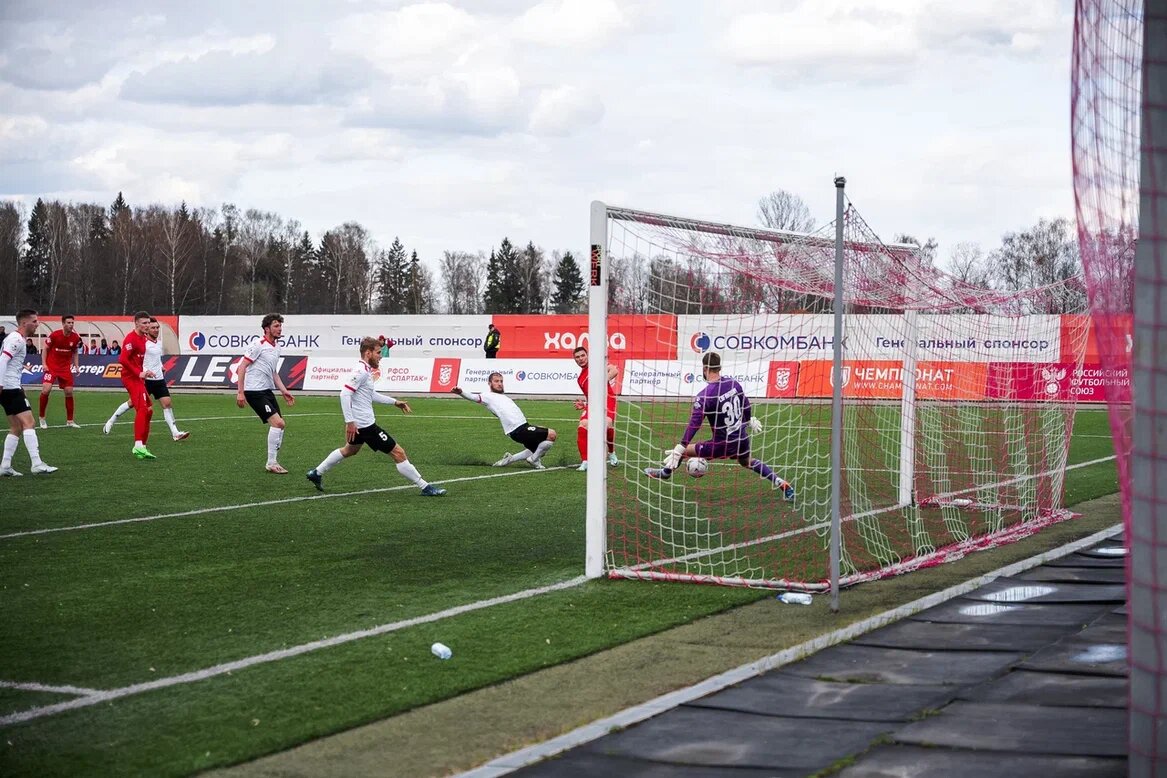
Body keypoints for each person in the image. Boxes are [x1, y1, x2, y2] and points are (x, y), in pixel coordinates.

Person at [645, 351, 795, 502]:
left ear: (705, 368)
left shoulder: (705, 395)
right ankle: (780, 482)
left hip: (722, 444)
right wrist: (749, 420)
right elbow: (746, 405)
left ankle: (665, 473)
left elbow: (695, 424)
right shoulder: (734, 384)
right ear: (719, 367)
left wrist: (681, 446)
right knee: (747, 461)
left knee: (685, 452)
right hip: (741, 438)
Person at [306, 337, 445, 496]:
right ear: (368, 353)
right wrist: (349, 422)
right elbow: (344, 394)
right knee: (398, 453)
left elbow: (370, 394)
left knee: (350, 450)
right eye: (378, 353)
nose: (381, 356)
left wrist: (395, 402)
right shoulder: (360, 371)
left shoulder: (365, 370)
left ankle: (316, 473)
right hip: (365, 426)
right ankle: (425, 487)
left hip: (360, 425)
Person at [104, 318, 189, 441]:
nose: (155, 330)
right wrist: (141, 373)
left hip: (158, 378)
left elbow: (157, 358)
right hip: (146, 379)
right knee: (132, 403)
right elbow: (135, 359)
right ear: (147, 329)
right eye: (152, 327)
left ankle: (175, 433)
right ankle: (112, 419)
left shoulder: (158, 342)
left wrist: (161, 366)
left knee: (167, 403)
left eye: (157, 327)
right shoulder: (142, 342)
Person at [451, 372, 556, 469]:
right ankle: (533, 460)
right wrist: (461, 392)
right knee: (551, 434)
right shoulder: (487, 396)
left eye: (501, 381)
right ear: (489, 383)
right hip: (517, 430)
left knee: (539, 447)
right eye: (496, 381)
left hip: (523, 426)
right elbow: (474, 397)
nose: (500, 384)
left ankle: (510, 459)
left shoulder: (503, 397)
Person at [235, 313, 295, 474]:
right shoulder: (258, 344)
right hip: (254, 391)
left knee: (281, 425)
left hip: (267, 391)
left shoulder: (276, 347)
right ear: (266, 329)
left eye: (280, 325)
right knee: (278, 424)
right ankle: (271, 463)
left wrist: (284, 391)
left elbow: (273, 372)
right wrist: (240, 392)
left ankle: (273, 461)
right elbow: (241, 367)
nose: (279, 328)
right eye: (276, 326)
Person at [0, 310, 58, 475]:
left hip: (9, 387)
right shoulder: (16, 339)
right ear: (24, 323)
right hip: (10, 388)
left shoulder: (17, 339)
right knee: (29, 423)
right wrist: (1, 384)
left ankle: (5, 466)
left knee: (16, 426)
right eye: (34, 321)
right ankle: (36, 463)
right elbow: (3, 360)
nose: (37, 323)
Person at [118, 311, 157, 460]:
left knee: (149, 410)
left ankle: (143, 446)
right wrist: (138, 372)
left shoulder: (143, 339)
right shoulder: (131, 339)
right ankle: (138, 445)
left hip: (138, 377)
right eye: (144, 323)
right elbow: (123, 359)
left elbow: (137, 361)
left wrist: (146, 371)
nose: (147, 326)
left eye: (148, 323)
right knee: (142, 409)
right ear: (136, 323)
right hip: (130, 378)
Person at [573, 345, 619, 472]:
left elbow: (614, 370)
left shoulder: (597, 366)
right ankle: (585, 461)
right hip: (593, 404)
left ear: (587, 356)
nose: (581, 359)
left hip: (607, 400)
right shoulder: (580, 379)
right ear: (575, 360)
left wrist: (603, 381)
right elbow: (590, 396)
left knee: (607, 424)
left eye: (583, 355)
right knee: (583, 425)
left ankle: (611, 453)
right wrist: (584, 405)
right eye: (577, 357)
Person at [38, 314, 82, 429]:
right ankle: (42, 418)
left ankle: (70, 421)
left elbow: (75, 352)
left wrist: (76, 366)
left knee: (69, 392)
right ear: (63, 324)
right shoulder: (55, 335)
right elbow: (45, 349)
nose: (71, 325)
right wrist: (44, 364)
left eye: (72, 323)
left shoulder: (75, 338)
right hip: (51, 367)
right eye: (68, 323)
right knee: (46, 389)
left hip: (65, 368)